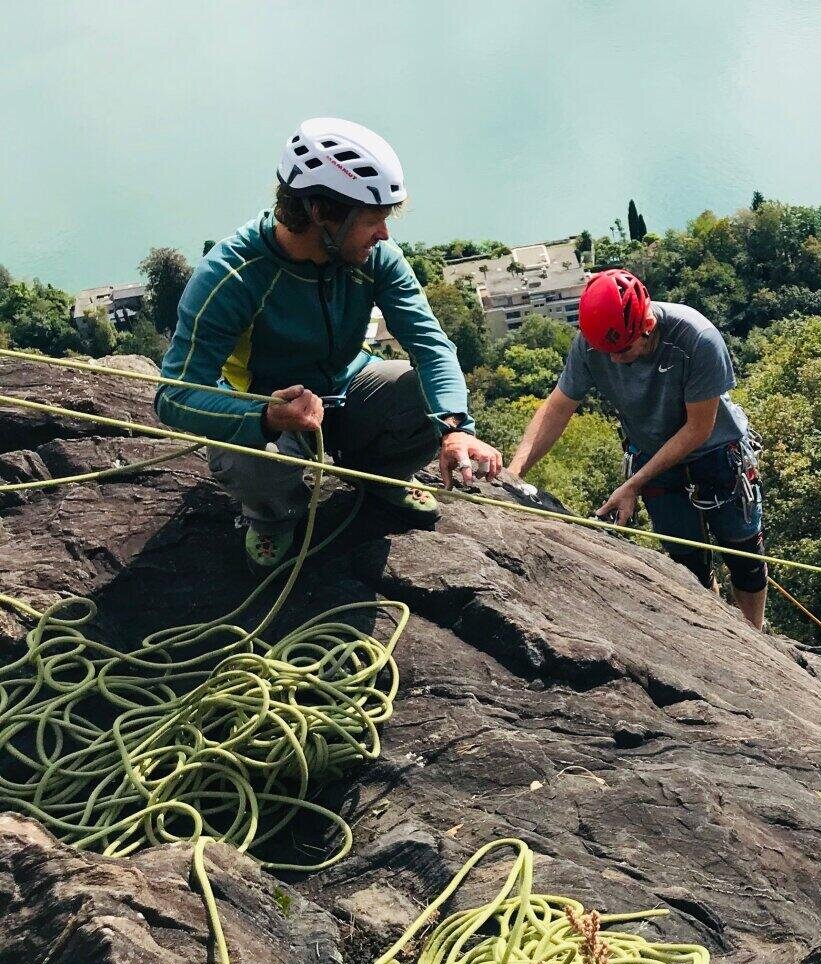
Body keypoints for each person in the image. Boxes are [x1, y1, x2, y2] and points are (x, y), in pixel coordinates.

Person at [155, 117, 501, 569]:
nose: (384, 234)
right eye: (373, 220)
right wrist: (264, 415)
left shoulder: (375, 258)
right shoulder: (233, 276)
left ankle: (380, 478)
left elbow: (431, 345)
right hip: (272, 406)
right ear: (321, 212)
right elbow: (176, 395)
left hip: (348, 385)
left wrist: (455, 428)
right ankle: (273, 517)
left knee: (419, 392)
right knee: (245, 459)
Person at [505, 270, 769, 629]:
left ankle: (755, 638)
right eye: (605, 351)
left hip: (717, 453)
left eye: (622, 350)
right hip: (653, 455)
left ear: (646, 324)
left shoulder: (696, 340)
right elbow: (559, 407)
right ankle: (720, 629)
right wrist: (514, 471)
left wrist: (633, 485)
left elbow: (697, 429)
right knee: (688, 565)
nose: (613, 360)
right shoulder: (591, 343)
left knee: (745, 559)